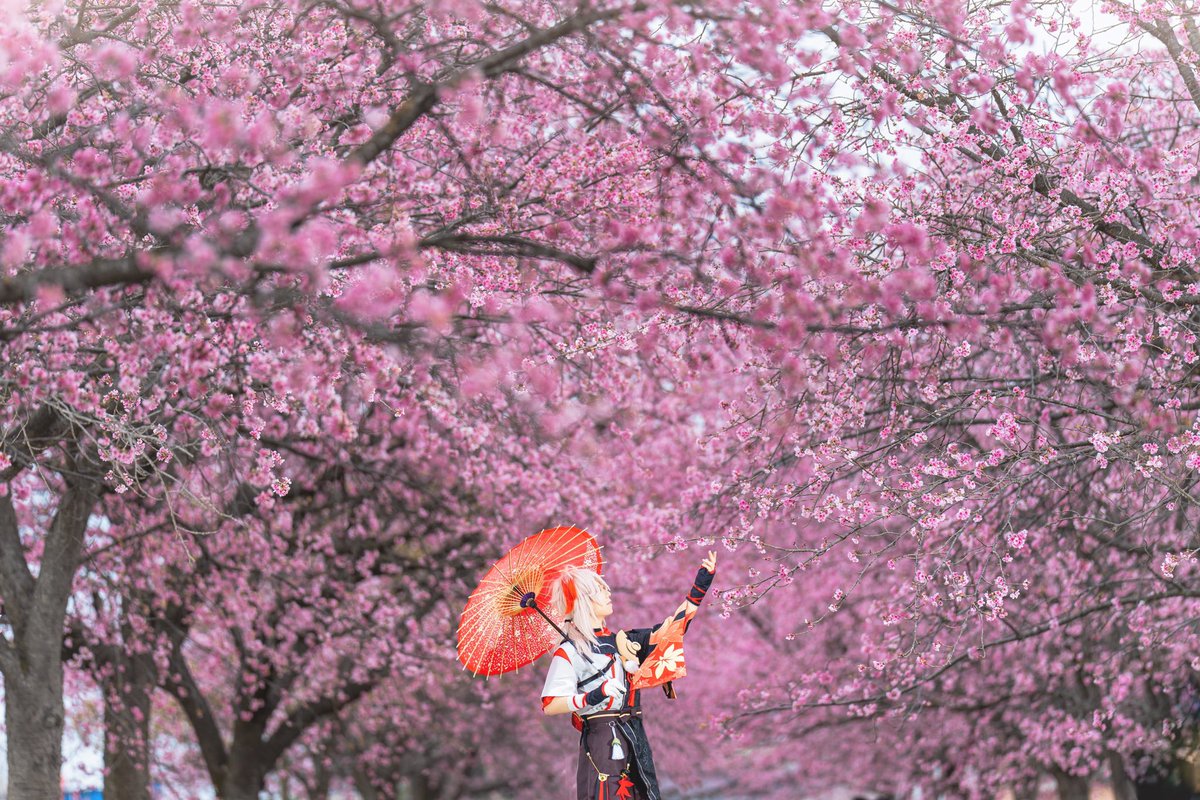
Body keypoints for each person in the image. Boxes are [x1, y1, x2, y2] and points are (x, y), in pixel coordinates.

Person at [540, 551, 718, 800]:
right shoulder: (569, 651)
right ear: (586, 601)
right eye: (601, 590)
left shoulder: (624, 642)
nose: (609, 593)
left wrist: (700, 585)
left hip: (634, 734)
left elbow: (672, 629)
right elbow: (550, 704)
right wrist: (594, 695)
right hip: (603, 740)